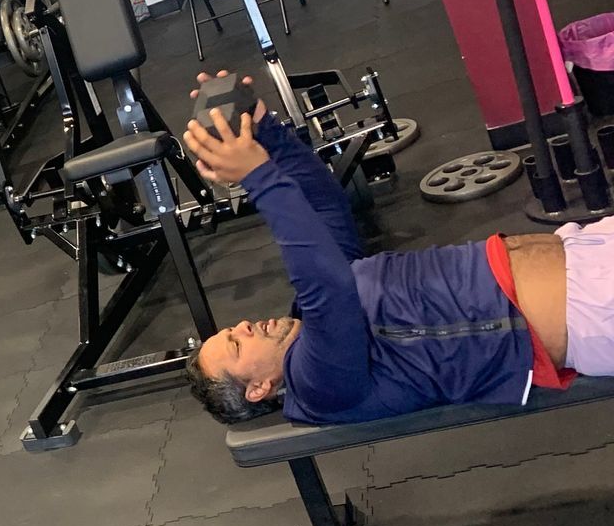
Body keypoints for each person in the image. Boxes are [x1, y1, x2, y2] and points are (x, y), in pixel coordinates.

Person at [181, 75, 613, 425]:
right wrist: (257, 176)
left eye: (230, 329)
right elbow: (327, 285)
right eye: (236, 345)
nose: (243, 326)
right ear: (259, 389)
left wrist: (268, 135)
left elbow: (327, 209)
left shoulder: (311, 323)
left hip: (578, 250)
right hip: (590, 309)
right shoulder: (319, 384)